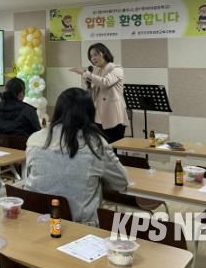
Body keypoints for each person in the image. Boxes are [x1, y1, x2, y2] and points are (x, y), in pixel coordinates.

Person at [24, 88, 128, 226]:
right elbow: (121, 182)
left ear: (58, 110)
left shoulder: (35, 139)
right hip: (80, 227)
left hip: (36, 220)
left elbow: (31, 176)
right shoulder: (95, 144)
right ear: (90, 113)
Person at [70, 43, 128, 143]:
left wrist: (84, 73)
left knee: (113, 145)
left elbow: (105, 82)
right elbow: (94, 94)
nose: (93, 58)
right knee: (100, 146)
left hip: (113, 116)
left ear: (104, 53)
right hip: (98, 116)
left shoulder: (116, 69)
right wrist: (88, 87)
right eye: (91, 56)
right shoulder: (96, 71)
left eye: (95, 54)